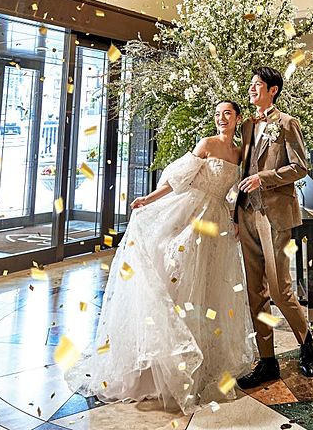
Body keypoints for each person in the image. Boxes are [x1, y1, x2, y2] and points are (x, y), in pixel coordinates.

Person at [65, 100, 254, 413]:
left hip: (218, 222)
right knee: (180, 279)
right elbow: (177, 179)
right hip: (191, 213)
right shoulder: (206, 144)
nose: (221, 118)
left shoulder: (239, 154)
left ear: (238, 118)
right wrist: (149, 199)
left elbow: (237, 192)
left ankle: (202, 359)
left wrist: (234, 218)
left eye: (227, 114)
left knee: (210, 288)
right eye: (218, 114)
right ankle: (165, 363)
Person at [235, 67, 313, 389]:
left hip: (276, 216)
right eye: (251, 84)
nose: (251, 89)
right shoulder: (246, 125)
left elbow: (300, 167)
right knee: (255, 293)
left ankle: (306, 343)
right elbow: (241, 167)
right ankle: (267, 361)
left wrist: (264, 178)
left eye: (257, 85)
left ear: (273, 90)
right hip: (247, 214)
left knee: (281, 290)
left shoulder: (287, 123)